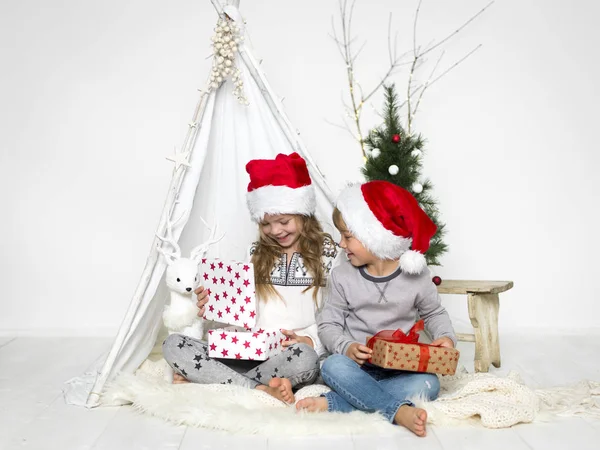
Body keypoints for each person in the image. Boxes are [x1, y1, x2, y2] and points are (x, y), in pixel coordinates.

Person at [162, 152, 337, 404]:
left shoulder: (328, 252)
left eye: (284, 221)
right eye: (266, 224)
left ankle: (213, 378)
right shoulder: (255, 253)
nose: (275, 230)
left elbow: (336, 314)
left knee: (306, 359)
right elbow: (244, 314)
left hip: (291, 352)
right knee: (173, 344)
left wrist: (309, 339)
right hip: (249, 350)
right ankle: (261, 389)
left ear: (303, 215)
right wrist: (215, 308)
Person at [296, 180, 456, 437]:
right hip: (356, 368)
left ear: (376, 237)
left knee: (430, 384)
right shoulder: (342, 276)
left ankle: (338, 403)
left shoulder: (417, 276)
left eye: (348, 236)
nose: (341, 244)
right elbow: (329, 324)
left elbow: (434, 313)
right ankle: (397, 410)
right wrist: (345, 346)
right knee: (331, 366)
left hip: (401, 368)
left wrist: (445, 338)